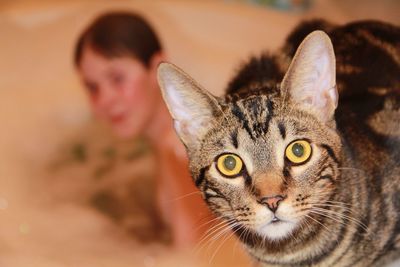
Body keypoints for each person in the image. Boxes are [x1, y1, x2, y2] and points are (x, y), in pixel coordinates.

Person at [74, 11, 211, 247]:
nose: (105, 100)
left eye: (117, 78)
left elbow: (191, 257)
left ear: (157, 68)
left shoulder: (179, 151)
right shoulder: (165, 139)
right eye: (92, 87)